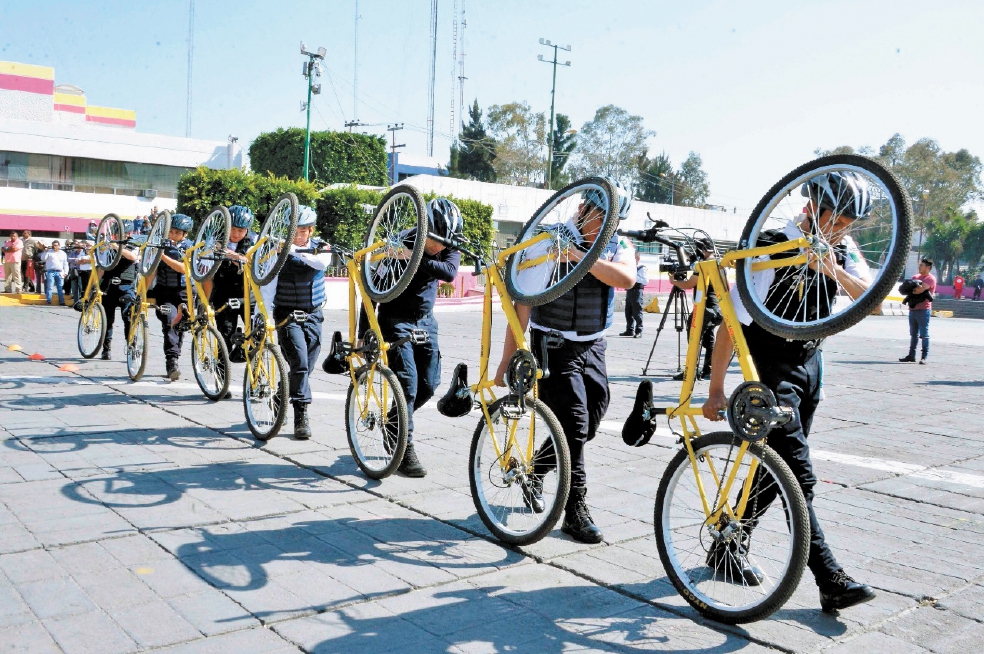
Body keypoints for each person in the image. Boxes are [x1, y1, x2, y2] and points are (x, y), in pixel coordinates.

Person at [702, 170, 876, 613]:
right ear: (812, 206)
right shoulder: (769, 243)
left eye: (848, 223)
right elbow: (731, 323)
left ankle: (726, 547)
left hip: (811, 364)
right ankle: (829, 576)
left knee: (773, 468)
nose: (841, 229)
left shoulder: (840, 247)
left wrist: (831, 267)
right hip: (770, 367)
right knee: (799, 473)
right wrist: (717, 389)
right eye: (836, 218)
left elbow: (870, 297)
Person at [497, 180, 636, 543]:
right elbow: (522, 302)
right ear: (584, 209)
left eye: (615, 220)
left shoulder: (617, 245)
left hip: (593, 346)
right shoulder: (549, 239)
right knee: (574, 424)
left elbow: (627, 278)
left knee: (590, 421)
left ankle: (537, 471)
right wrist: (506, 361)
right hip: (553, 344)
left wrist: (580, 258)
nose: (609, 226)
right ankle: (575, 511)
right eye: (603, 216)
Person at [359, 198, 462, 475]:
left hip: (426, 322)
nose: (440, 247)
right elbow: (372, 288)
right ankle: (404, 448)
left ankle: (394, 423)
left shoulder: (447, 244)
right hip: (396, 321)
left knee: (429, 384)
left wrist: (415, 256)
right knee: (408, 385)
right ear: (423, 225)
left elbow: (450, 273)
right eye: (435, 240)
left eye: (445, 243)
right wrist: (362, 334)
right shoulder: (399, 242)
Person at [260, 206, 331, 439]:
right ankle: (301, 414)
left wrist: (292, 250)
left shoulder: (321, 247)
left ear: (310, 230)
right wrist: (262, 314)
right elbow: (267, 282)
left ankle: (282, 392)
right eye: (293, 231)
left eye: (301, 231)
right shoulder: (277, 249)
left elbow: (320, 264)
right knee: (299, 361)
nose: (297, 235)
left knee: (308, 365)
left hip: (313, 313)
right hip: (286, 313)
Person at [205, 205, 256, 369]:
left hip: (248, 294)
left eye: (241, 230)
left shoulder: (254, 241)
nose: (235, 234)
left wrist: (229, 253)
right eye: (232, 229)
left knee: (256, 335)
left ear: (247, 230)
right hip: (223, 293)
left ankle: (256, 373)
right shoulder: (213, 240)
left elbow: (249, 261)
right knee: (224, 335)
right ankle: (221, 375)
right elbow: (204, 270)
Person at [670, 237, 721, 382]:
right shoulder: (718, 263)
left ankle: (691, 371)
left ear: (702, 250)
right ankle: (708, 370)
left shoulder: (703, 265)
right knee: (708, 337)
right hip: (717, 308)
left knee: (693, 337)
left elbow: (688, 284)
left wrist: (673, 280)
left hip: (705, 309)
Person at [152, 213, 194, 381]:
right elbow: (151, 269)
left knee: (182, 326)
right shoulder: (159, 244)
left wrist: (161, 256)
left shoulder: (190, 248)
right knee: (170, 322)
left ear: (185, 234)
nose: (173, 235)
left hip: (184, 292)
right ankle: (172, 361)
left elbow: (184, 269)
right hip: (164, 291)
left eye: (178, 233)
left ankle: (174, 358)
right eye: (171, 231)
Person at [99, 221, 140, 360]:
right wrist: (95, 286)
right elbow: (102, 267)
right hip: (109, 286)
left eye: (121, 233)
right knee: (107, 319)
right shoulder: (109, 247)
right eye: (116, 233)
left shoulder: (134, 246)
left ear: (128, 234)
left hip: (126, 287)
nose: (117, 235)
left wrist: (117, 247)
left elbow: (133, 257)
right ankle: (106, 349)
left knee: (128, 317)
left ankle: (131, 347)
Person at [899, 259, 936, 364]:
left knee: (924, 334)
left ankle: (924, 357)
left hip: (924, 310)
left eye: (922, 265)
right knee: (913, 334)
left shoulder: (930, 279)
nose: (919, 267)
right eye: (919, 265)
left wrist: (913, 288)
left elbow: (918, 290)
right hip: (912, 309)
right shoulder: (915, 277)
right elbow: (905, 290)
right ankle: (911, 355)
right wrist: (914, 288)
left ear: (928, 268)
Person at [620, 251, 649, 337]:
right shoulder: (630, 267)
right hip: (629, 290)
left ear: (637, 258)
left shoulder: (641, 268)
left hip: (637, 291)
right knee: (628, 312)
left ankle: (639, 330)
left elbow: (645, 281)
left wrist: (633, 274)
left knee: (637, 311)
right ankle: (629, 330)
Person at [41, 240, 69, 306]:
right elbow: (43, 258)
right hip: (51, 271)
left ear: (59, 246)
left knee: (60, 287)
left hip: (60, 271)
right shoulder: (49, 252)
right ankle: (48, 300)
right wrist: (45, 251)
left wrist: (66, 272)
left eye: (56, 245)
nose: (55, 247)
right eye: (53, 245)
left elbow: (65, 263)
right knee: (50, 286)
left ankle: (61, 301)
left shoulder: (63, 253)